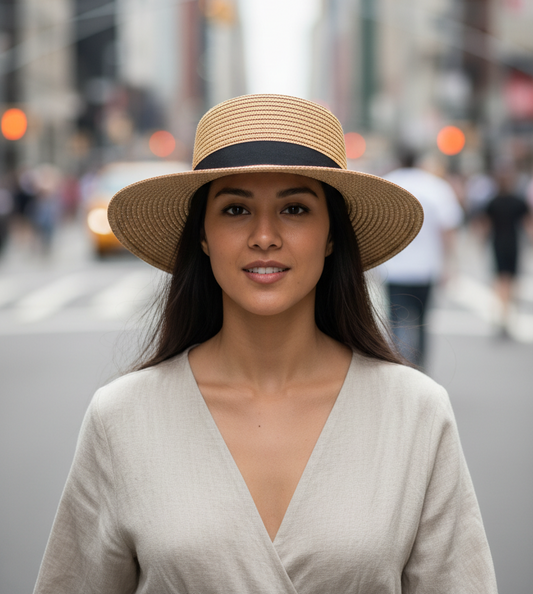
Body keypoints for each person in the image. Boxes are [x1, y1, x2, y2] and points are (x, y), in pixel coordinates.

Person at [34, 95, 496, 593]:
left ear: (332, 235)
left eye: (295, 209)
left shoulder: (416, 413)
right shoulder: (121, 417)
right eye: (235, 209)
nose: (264, 236)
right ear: (204, 236)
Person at [380, 150, 463, 369]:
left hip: (394, 268)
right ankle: (420, 369)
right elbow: (448, 229)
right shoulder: (435, 186)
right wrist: (450, 264)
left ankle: (399, 367)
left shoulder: (387, 184)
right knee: (423, 321)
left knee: (397, 320)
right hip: (426, 268)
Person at [484, 169, 530, 338]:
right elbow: (527, 224)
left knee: (500, 281)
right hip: (513, 243)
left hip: (498, 243)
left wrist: (481, 241)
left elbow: (485, 224)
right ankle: (509, 314)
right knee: (512, 282)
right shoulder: (518, 201)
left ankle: (502, 315)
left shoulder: (493, 201)